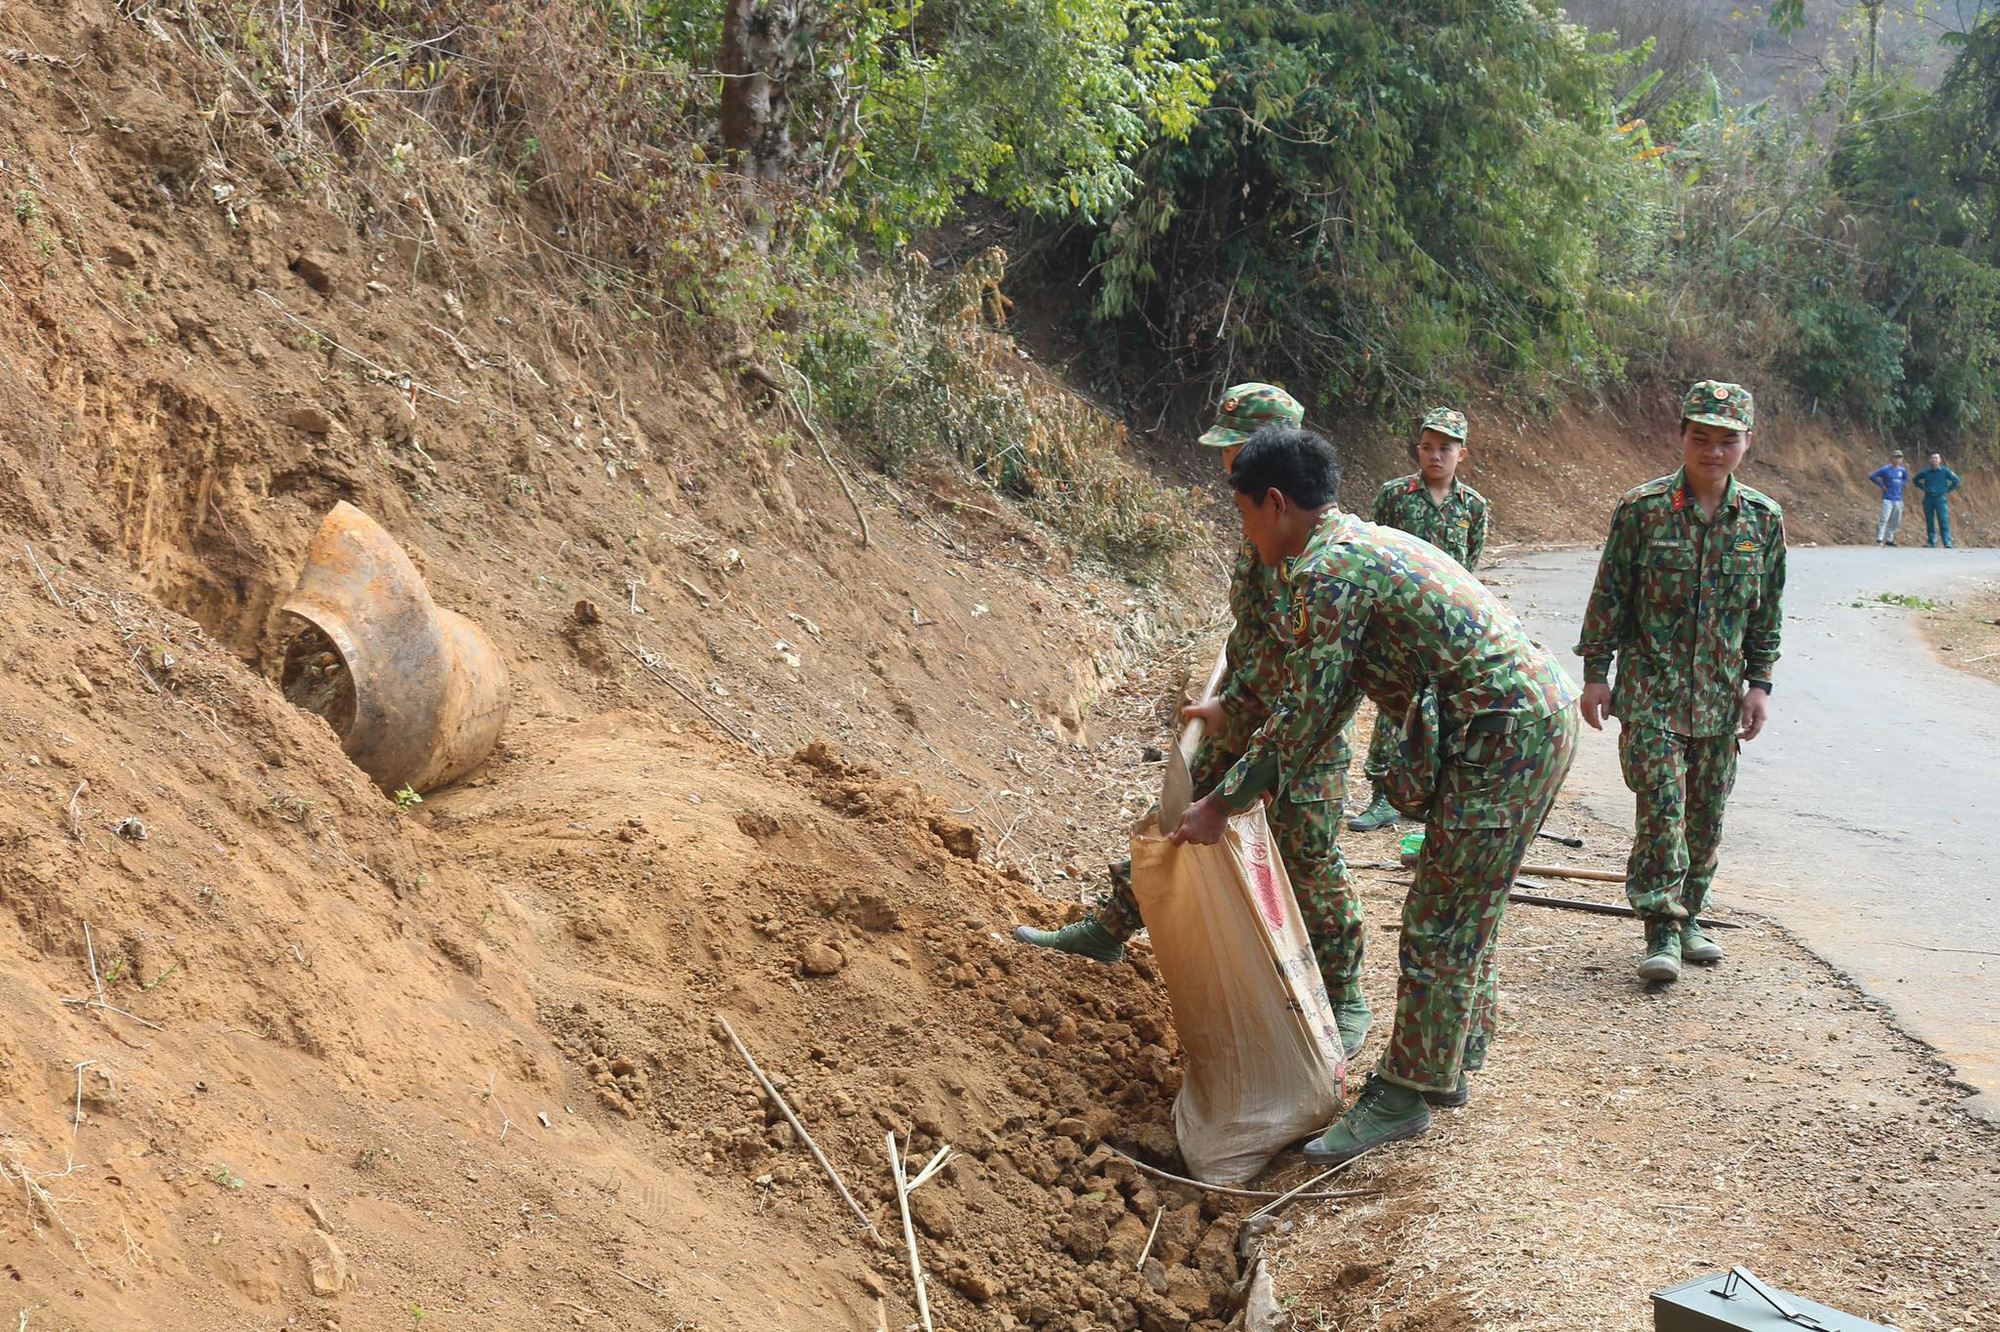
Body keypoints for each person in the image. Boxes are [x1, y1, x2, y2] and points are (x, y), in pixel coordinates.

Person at [1173, 426, 1578, 1164]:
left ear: (1274, 504)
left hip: (1505, 733)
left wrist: (1220, 805)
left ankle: (1404, 1095)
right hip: (1521, 720)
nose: (1245, 533)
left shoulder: (1331, 572)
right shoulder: (1355, 547)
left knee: (1442, 914)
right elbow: (1319, 694)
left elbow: (1305, 716)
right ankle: (1449, 1062)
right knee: (1464, 900)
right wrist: (1235, 717)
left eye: (1243, 515)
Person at [1013, 385, 1373, 1055]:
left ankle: (1346, 996)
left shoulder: (1320, 548)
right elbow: (1255, 637)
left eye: (1234, 449)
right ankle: (1108, 930)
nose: (1224, 463)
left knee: (1310, 861)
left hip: (1303, 736)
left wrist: (1257, 724)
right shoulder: (1258, 526)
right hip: (1247, 718)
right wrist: (1228, 701)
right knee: (1174, 817)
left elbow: (1317, 674)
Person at [1576, 381, 1786, 983]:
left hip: (1721, 701)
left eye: (1727, 440)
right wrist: (1597, 675)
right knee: (1662, 811)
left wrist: (1760, 684)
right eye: (1701, 437)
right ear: (1682, 438)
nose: (1713, 450)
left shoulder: (1762, 521)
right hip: (1650, 697)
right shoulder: (1641, 509)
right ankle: (1661, 929)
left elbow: (1765, 611)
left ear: (1746, 444)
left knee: (1706, 815)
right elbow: (1609, 594)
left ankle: (1691, 915)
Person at [1349, 407, 1491, 833]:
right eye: (1428, 447)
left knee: (1446, 706)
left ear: (1461, 454)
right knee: (1396, 701)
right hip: (1397, 618)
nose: (1435, 455)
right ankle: (1382, 794)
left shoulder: (1474, 507)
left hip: (1448, 627)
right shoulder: (1395, 495)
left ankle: (1429, 795)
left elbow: (1471, 566)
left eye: (1445, 448)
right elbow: (1373, 549)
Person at [1912, 452, 1962, 548]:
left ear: (1939, 460)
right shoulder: (1925, 472)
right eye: (1932, 458)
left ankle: (1947, 542)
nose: (1934, 459)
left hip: (1940, 499)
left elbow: (1956, 480)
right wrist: (1923, 487)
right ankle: (1931, 542)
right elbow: (1915, 480)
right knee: (1929, 520)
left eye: (1936, 458)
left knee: (1943, 520)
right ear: (1929, 460)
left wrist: (1948, 489)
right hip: (1928, 498)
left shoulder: (1945, 471)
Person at [1870, 449, 1911, 545]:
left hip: (1898, 498)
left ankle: (1890, 539)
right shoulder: (1885, 469)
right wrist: (1881, 485)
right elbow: (1872, 476)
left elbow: (1906, 478)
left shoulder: (1902, 470)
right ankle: (1879, 538)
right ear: (1892, 459)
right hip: (1888, 497)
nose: (1898, 459)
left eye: (1900, 458)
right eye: (1896, 457)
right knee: (1884, 518)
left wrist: (1901, 483)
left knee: (1896, 520)